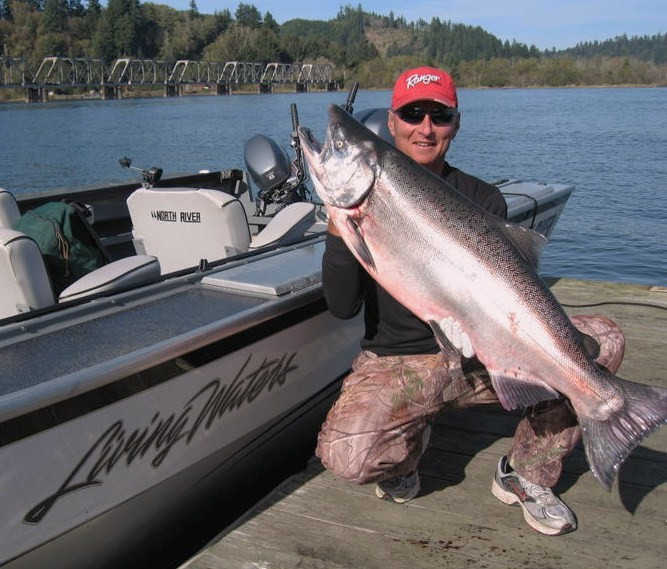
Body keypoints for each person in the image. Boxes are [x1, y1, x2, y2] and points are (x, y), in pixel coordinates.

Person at [315, 66, 626, 536]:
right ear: (393, 122)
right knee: (345, 457)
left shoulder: (482, 198)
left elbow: (512, 294)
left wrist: (499, 337)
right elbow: (341, 305)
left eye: (439, 116)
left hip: (482, 354)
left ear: (455, 124)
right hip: (400, 362)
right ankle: (406, 452)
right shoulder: (356, 208)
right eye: (413, 113)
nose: (425, 127)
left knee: (601, 341)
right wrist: (339, 228)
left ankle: (525, 473)